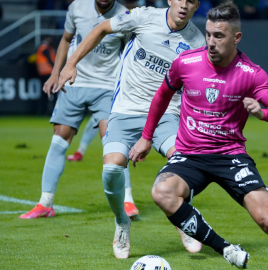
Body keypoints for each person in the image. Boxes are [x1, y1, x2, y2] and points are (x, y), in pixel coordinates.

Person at [129, 3, 268, 269]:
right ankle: (226, 249)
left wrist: (263, 113)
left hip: (230, 157)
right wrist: (146, 137)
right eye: (208, 34)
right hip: (190, 155)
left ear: (236, 37)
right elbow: (162, 95)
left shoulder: (251, 74)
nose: (211, 42)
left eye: (219, 36)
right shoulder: (186, 62)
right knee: (162, 192)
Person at [55, 0, 207, 259]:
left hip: (165, 114)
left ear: (197, 5)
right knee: (112, 168)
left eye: (191, 0)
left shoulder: (197, 42)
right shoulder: (143, 17)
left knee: (183, 162)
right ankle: (121, 223)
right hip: (125, 110)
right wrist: (71, 64)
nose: (184, 5)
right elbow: (102, 28)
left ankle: (184, 218)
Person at [19, 0, 138, 220]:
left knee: (114, 142)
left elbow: (131, 52)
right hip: (74, 83)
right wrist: (56, 73)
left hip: (107, 87)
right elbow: (65, 39)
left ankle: (128, 201)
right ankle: (45, 203)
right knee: (59, 140)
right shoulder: (77, 7)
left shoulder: (124, 15)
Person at [36, 36, 57, 116]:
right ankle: (48, 111)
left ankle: (46, 111)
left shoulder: (48, 48)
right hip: (48, 73)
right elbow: (49, 59)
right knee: (51, 92)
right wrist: (56, 68)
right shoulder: (45, 47)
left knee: (46, 92)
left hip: (45, 73)